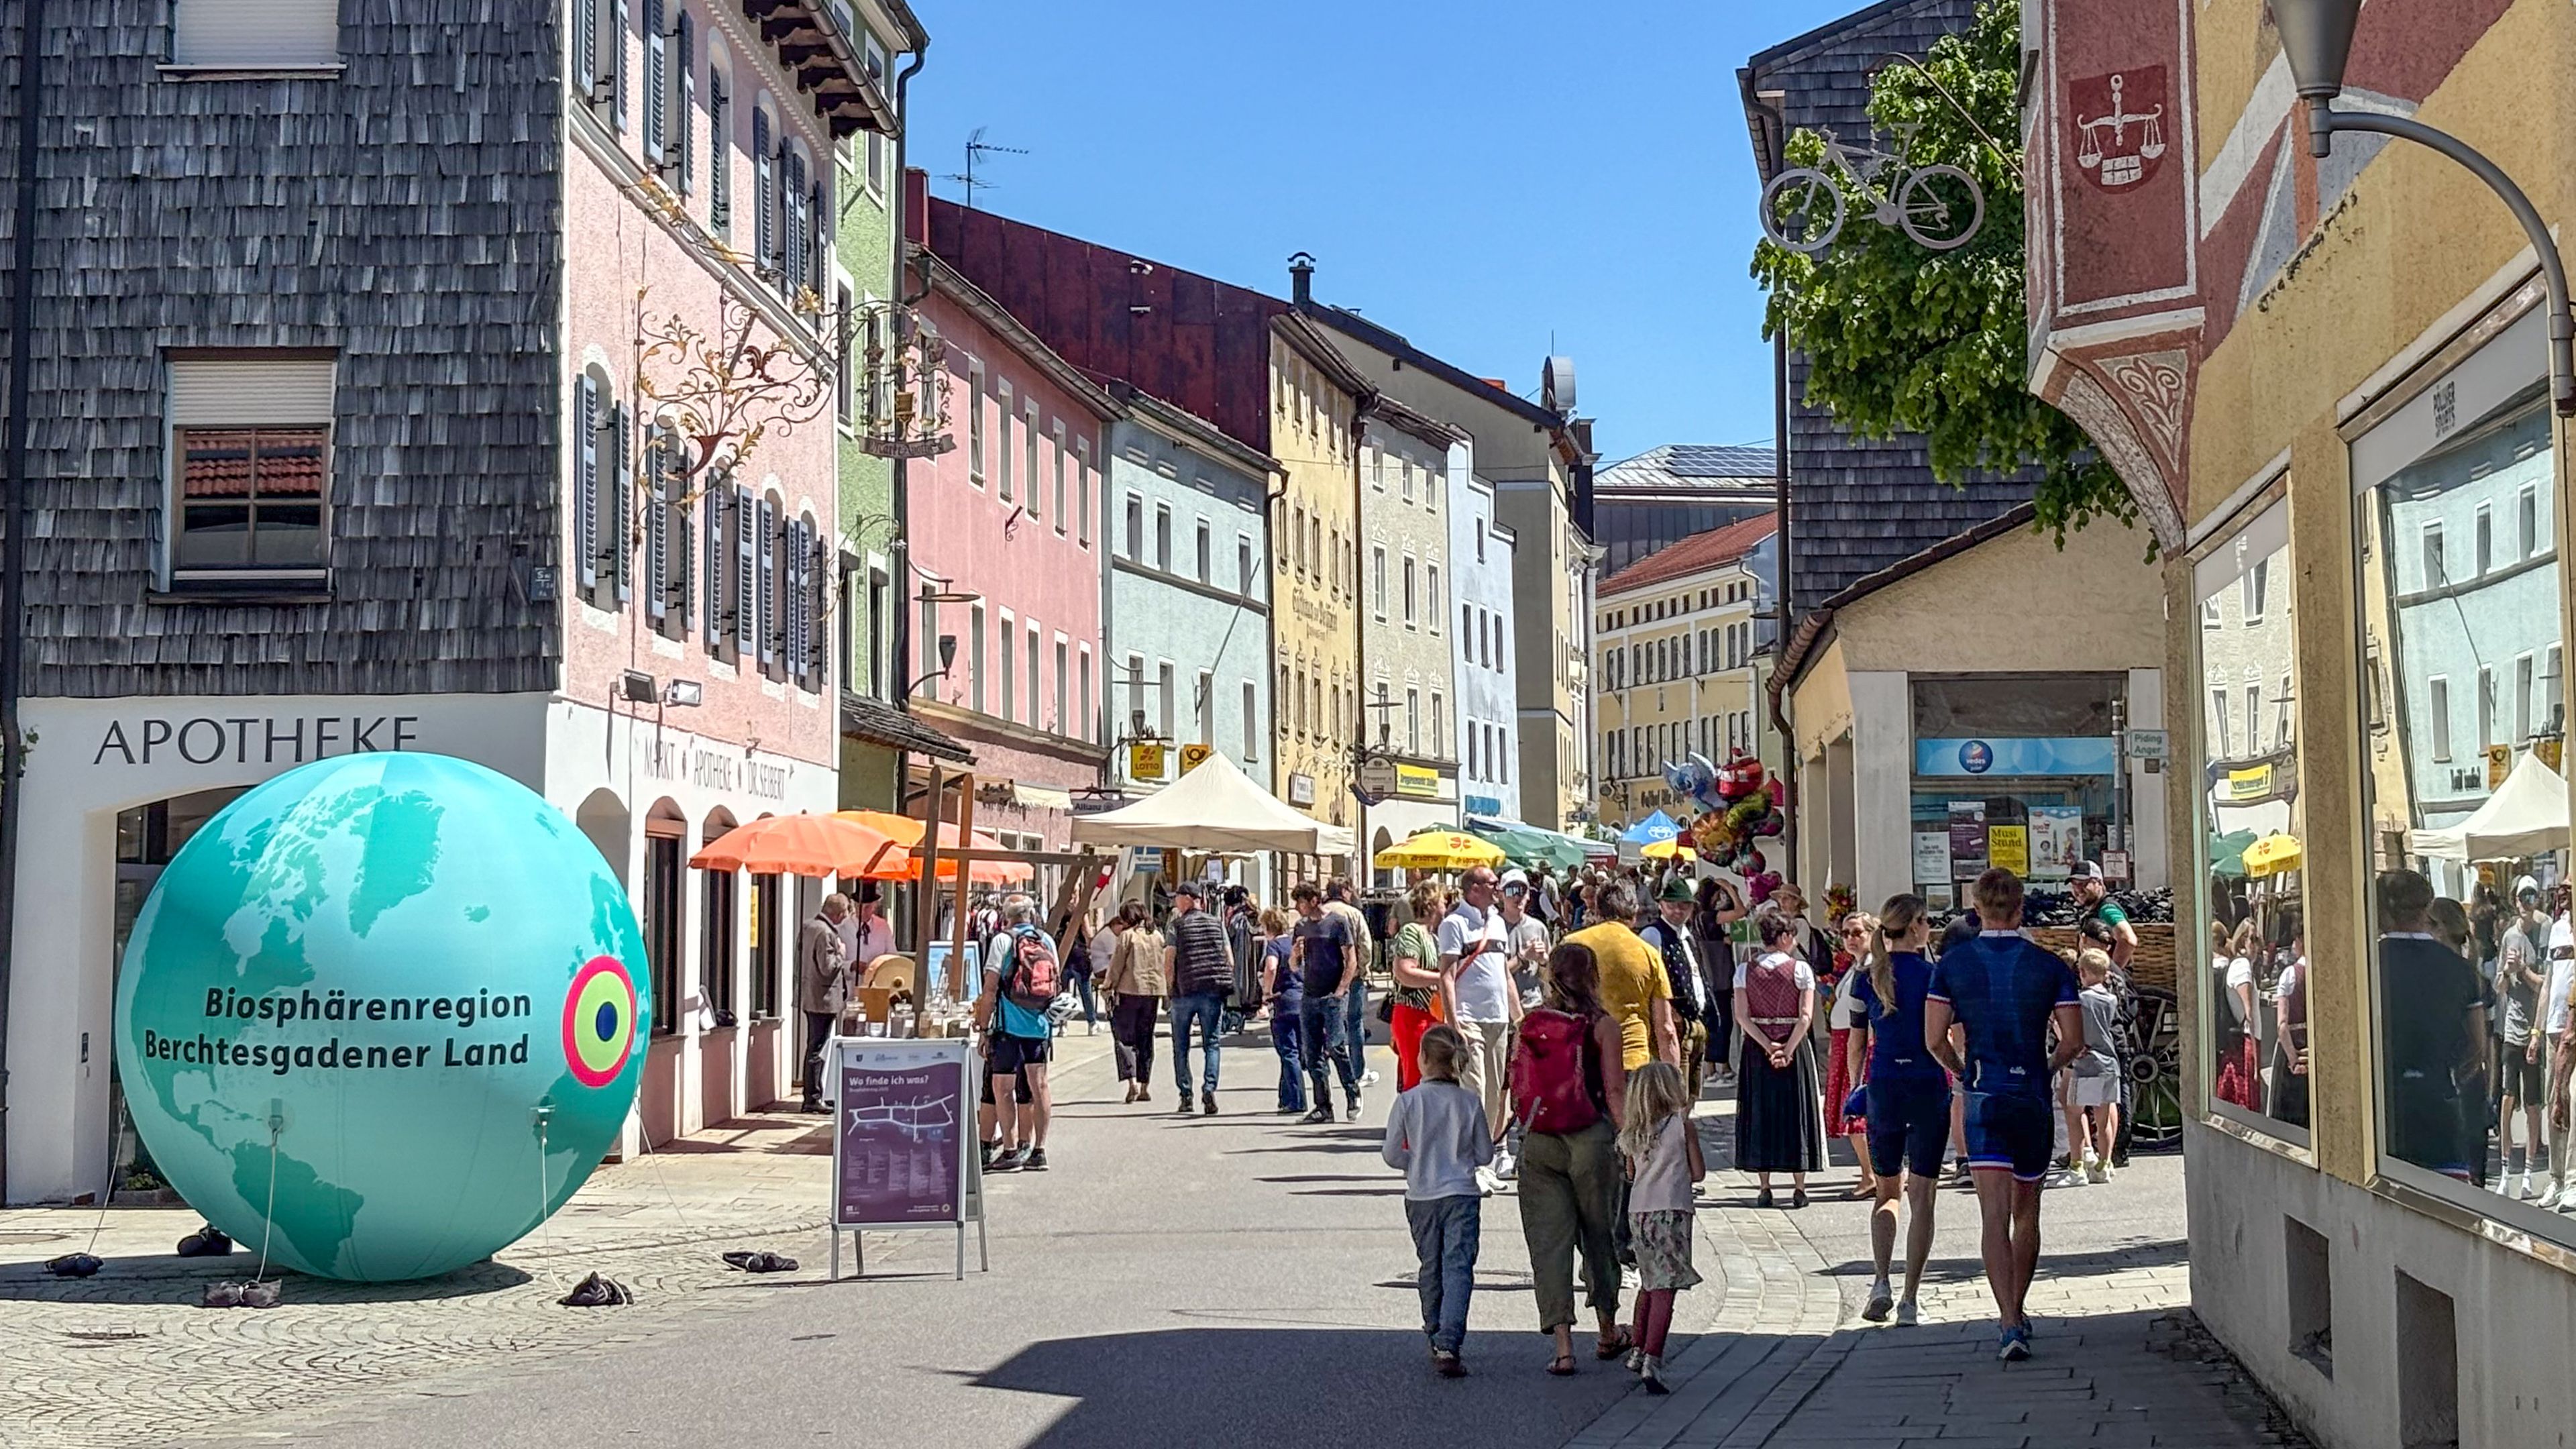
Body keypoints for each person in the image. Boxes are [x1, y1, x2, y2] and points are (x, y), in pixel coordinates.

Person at [1924, 868, 2084, 1362]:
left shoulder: (1952, 965)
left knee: (1991, 1215)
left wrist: (1959, 1071)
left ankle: (2008, 1321)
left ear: (1976, 910)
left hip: (1983, 1093)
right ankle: (2020, 1305)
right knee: (2027, 1211)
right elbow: (2075, 1040)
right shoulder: (2050, 966)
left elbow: (1933, 1039)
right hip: (2030, 1094)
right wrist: (2048, 1065)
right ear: (2020, 910)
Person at [1515, 941, 1631, 1377]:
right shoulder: (1602, 1026)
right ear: (1592, 976)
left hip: (1539, 1140)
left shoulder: (1531, 1021)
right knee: (1599, 1235)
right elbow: (1615, 1092)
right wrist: (1631, 1141)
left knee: (1549, 1245)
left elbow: (1518, 1084)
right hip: (1590, 1138)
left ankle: (1563, 1348)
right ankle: (1606, 1330)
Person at [1849, 893, 1947, 1325]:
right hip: (1927, 1085)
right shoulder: (1934, 976)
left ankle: (1881, 1280)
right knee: (1923, 1195)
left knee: (1886, 1191)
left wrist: (1856, 1086)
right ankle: (1910, 1297)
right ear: (1915, 928)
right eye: (1926, 922)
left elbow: (1856, 1042)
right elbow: (1947, 1038)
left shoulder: (1865, 978)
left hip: (1884, 1087)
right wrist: (1961, 1072)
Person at [1382, 1024, 1490, 1379]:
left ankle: (1432, 1328)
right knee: (1458, 1266)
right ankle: (1450, 1339)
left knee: (1430, 1264)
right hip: (1461, 1192)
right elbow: (1485, 1155)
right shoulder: (1469, 1102)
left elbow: (1391, 1153)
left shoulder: (1408, 1101)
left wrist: (1412, 1164)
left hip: (1422, 1194)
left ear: (1424, 1059)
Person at [2381, 870, 2491, 1181]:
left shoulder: (2370, 964)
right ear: (2426, 909)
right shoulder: (2460, 969)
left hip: (2385, 1115)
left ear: (2384, 911)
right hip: (2440, 1105)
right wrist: (2453, 1077)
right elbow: (2478, 1045)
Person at [1617, 1061, 1703, 1393]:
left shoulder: (1633, 1131)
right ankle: (1654, 1356)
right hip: (1673, 1210)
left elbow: (1630, 1174)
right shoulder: (1682, 1126)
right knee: (1666, 1287)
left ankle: (1638, 1349)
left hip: (1639, 1212)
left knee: (1649, 1282)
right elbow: (1697, 1173)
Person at [1734, 908, 1823, 1206]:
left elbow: (1742, 1017)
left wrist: (1767, 1046)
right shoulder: (1801, 970)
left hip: (1757, 1049)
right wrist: (1787, 1048)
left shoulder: (1744, 970)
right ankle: (1799, 1187)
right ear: (1785, 937)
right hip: (1793, 1046)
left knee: (1761, 1110)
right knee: (1796, 1110)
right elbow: (1806, 1016)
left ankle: (1764, 1187)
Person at [1438, 865, 1519, 1187]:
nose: (1498, 888)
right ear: (1474, 888)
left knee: (1494, 1094)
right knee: (1474, 1089)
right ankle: (1466, 1163)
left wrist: (1520, 1019)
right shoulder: (1453, 924)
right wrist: (1453, 1020)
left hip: (1497, 1017)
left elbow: (1505, 973)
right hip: (1469, 1016)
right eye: (1492, 883)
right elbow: (1446, 974)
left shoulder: (1498, 923)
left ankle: (1482, 1162)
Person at [975, 894, 1059, 1173]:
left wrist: (983, 1027)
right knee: (1040, 1086)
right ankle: (1039, 1150)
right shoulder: (1046, 941)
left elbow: (990, 989)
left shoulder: (1002, 940)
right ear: (1031, 915)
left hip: (1008, 1026)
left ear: (1006, 916)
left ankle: (1010, 1150)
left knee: (1003, 1088)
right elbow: (1055, 982)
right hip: (1039, 1025)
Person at [1564, 879, 1680, 1074]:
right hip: (1632, 1061)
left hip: (1581, 1060)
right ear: (1634, 914)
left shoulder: (1570, 945)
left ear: (1597, 911)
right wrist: (1673, 1080)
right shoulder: (1647, 953)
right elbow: (1666, 1028)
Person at [1291, 882, 1364, 1122]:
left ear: (1313, 900)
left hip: (1333, 995)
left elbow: (1351, 959)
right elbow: (1294, 966)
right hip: (1310, 995)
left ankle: (1353, 1094)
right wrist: (1295, 954)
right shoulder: (1301, 927)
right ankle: (1323, 1106)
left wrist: (1342, 989)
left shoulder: (1337, 923)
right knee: (1312, 1054)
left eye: (1300, 902)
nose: (1297, 908)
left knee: (1336, 1046)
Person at [2496, 881, 2551, 1197]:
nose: (2525, 902)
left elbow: (2544, 982)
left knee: (2532, 1105)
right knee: (2507, 1099)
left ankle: (2529, 1173)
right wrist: (2506, 972)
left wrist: (2524, 969)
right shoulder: (2509, 935)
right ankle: (2506, 1170)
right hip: (2511, 1029)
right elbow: (2500, 988)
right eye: (2521, 896)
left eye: (2531, 896)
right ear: (2514, 900)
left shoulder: (2544, 931)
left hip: (2536, 1031)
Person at [1637, 877, 1715, 1099]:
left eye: (1683, 905)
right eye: (1671, 905)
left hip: (1695, 1021)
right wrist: (1668, 1016)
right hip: (1675, 1022)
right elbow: (1650, 982)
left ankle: (1686, 1128)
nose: (1677, 910)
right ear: (1661, 906)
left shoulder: (1687, 935)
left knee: (1691, 1094)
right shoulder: (1653, 934)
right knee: (1675, 1091)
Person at [1165, 881, 1233, 1116]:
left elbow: (1169, 960)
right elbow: (1229, 959)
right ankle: (1210, 1087)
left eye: (1177, 897)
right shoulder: (1217, 924)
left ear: (1188, 899)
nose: (1175, 902)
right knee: (1212, 1043)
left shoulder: (1177, 926)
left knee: (1181, 1045)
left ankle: (1186, 1095)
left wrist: (1169, 988)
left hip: (1184, 991)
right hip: (1212, 991)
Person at [1827, 910, 1878, 1198]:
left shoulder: (1871, 968)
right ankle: (1870, 1171)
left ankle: (1871, 1174)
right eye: (1845, 934)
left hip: (1859, 1042)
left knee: (1857, 1108)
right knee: (1852, 1110)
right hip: (1845, 1038)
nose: (1850, 939)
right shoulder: (1856, 967)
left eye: (1857, 933)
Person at [1388, 881, 1447, 1094]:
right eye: (1442, 901)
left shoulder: (1434, 937)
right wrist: (1440, 979)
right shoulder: (1412, 931)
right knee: (1415, 1078)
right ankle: (1412, 1123)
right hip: (1413, 1015)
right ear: (1431, 904)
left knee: (1429, 1078)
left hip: (1430, 1014)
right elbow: (1405, 972)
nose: (1445, 906)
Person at [1105, 902, 1167, 1105]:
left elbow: (1117, 965)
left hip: (1129, 990)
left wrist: (1108, 986)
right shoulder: (1157, 936)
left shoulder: (1127, 936)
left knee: (1124, 1037)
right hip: (1152, 992)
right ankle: (1144, 1086)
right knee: (1146, 1038)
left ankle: (1131, 1081)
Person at [2069, 949, 2123, 1183]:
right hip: (2109, 1061)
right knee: (2104, 1119)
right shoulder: (2111, 999)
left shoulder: (2082, 999)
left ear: (2083, 972)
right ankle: (2105, 1163)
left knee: (2076, 1112)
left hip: (2087, 1062)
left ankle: (2078, 1163)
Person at [796, 892, 853, 1114]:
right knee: (818, 1048)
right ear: (838, 914)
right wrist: (841, 954)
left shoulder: (809, 926)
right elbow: (827, 967)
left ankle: (813, 1094)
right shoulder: (826, 932)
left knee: (815, 1045)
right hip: (823, 999)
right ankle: (813, 1097)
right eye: (846, 913)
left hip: (810, 994)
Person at [1325, 881, 1378, 1089]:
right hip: (1352, 975)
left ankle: (1325, 1069)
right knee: (1354, 1024)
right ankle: (1357, 1071)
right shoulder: (1354, 914)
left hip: (1323, 977)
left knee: (1327, 1024)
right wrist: (1363, 969)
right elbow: (1366, 944)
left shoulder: (1320, 913)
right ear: (1345, 892)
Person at [1695, 877, 1745, 1087]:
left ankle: (1721, 1066)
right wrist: (1729, 888)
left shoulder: (1698, 916)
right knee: (1721, 1022)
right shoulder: (1708, 916)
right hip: (1716, 974)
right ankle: (1711, 1069)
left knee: (1718, 1021)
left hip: (1713, 974)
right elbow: (1740, 912)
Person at [1260, 908, 1305, 1114]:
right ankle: (1285, 1096)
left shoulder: (1274, 945)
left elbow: (1271, 967)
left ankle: (1297, 1100)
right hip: (1302, 999)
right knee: (1297, 1050)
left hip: (1284, 1001)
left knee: (1288, 1052)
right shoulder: (1293, 944)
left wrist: (1267, 992)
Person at [2271, 917, 2311, 1132]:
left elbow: (2282, 1025)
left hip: (2296, 1045)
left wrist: (2293, 1060)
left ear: (2301, 940)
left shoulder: (2291, 974)